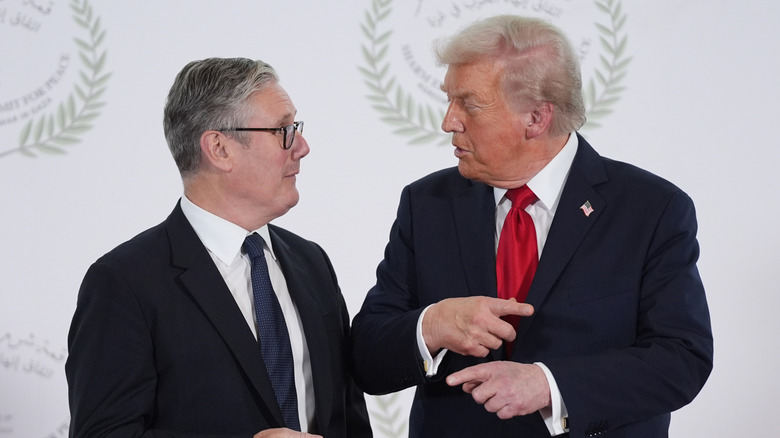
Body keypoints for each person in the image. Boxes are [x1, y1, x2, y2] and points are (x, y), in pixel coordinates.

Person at [350, 15, 713, 438]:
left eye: (469, 103)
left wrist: (549, 385)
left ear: (537, 118)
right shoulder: (427, 204)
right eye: (449, 100)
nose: (449, 121)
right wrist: (431, 326)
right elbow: (366, 360)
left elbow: (680, 359)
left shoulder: (651, 209)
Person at [66, 57, 372, 438]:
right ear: (219, 148)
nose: (302, 147)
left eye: (296, 127)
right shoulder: (124, 283)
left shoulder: (312, 263)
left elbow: (350, 420)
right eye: (283, 130)